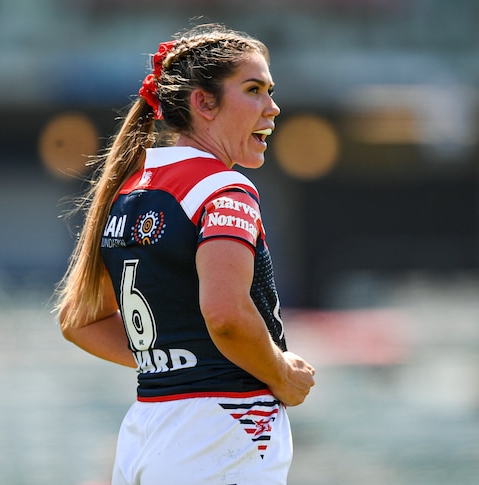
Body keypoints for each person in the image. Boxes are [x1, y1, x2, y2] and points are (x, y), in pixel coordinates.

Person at [54, 23, 315, 484]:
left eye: (270, 91)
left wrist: (181, 358)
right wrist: (280, 373)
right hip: (224, 427)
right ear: (203, 103)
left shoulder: (129, 193)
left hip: (147, 427)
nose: (272, 108)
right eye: (253, 90)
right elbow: (226, 315)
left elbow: (80, 321)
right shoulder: (224, 189)